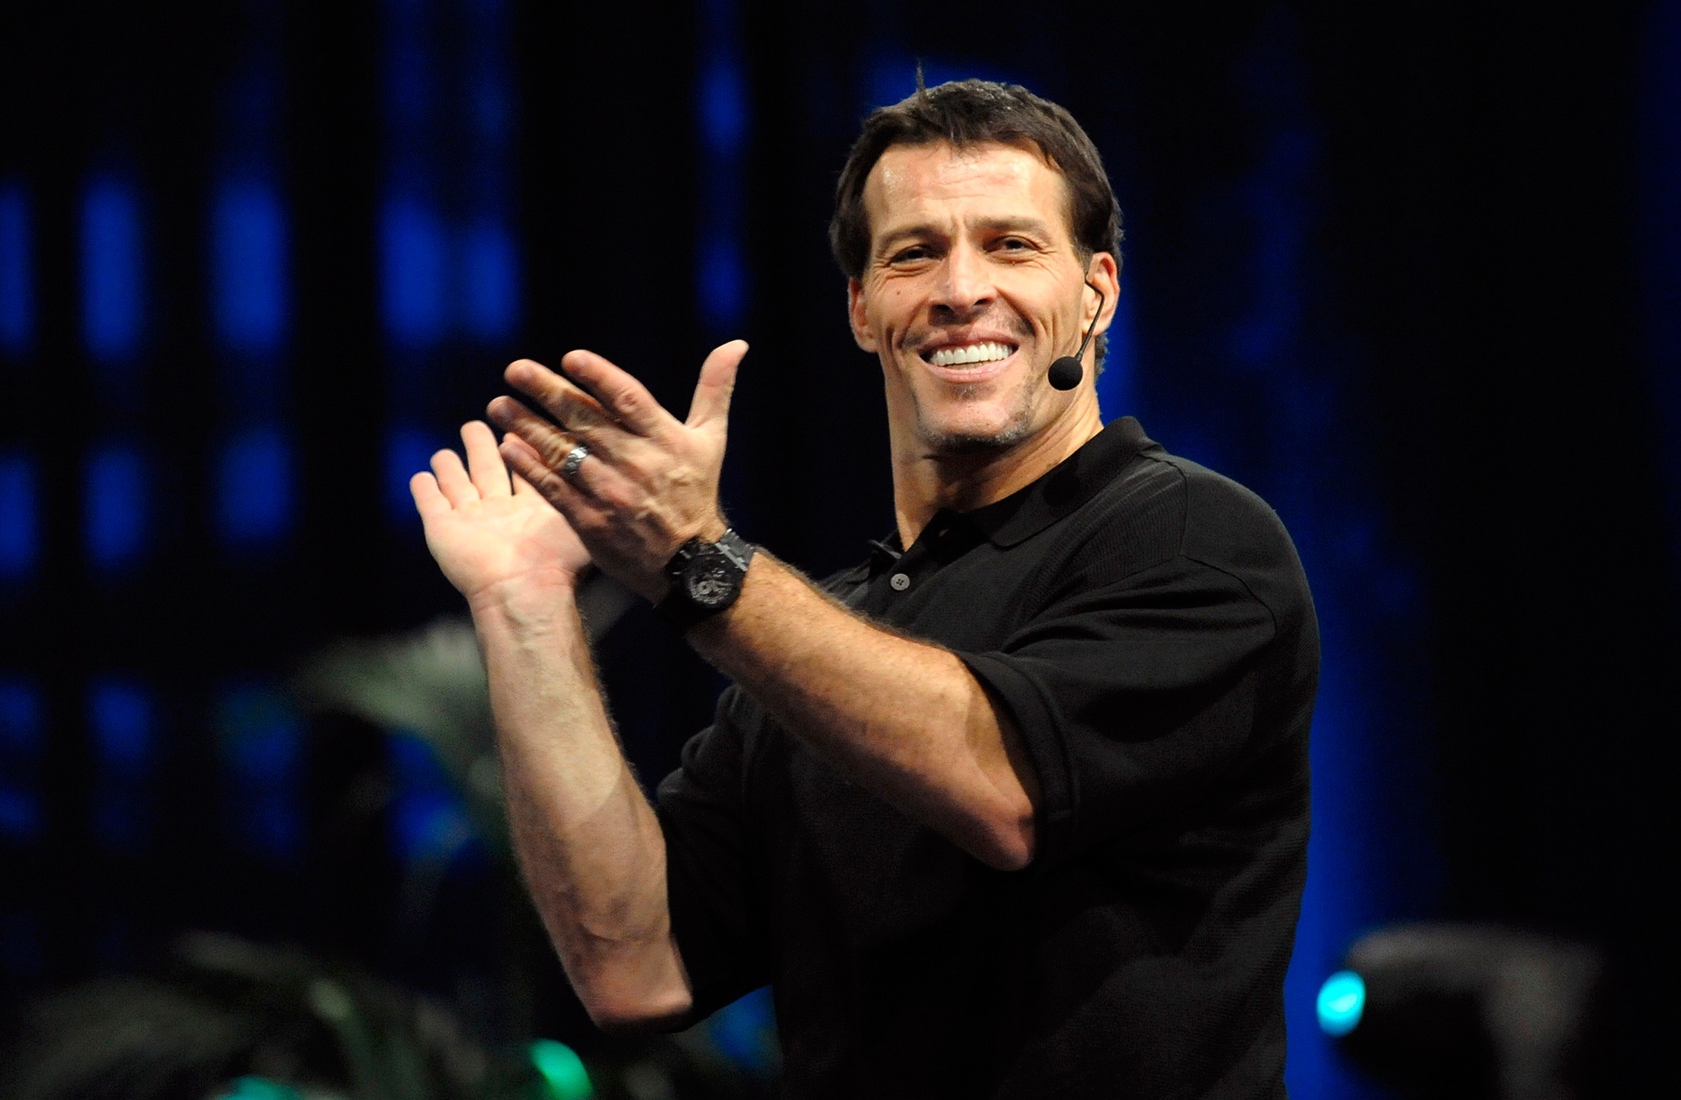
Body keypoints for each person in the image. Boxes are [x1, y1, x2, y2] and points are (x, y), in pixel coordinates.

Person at [412, 78, 1318, 1098]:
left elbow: (1005, 790)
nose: (961, 288)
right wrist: (526, 605)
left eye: (1012, 245)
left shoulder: (1191, 537)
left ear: (1096, 292)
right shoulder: (813, 637)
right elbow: (634, 964)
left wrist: (695, 558)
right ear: (860, 307)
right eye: (913, 252)